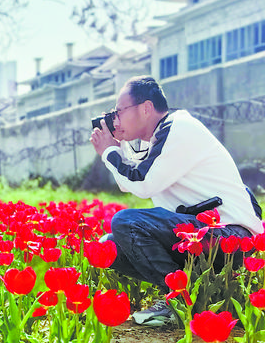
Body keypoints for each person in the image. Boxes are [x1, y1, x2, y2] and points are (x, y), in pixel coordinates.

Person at [90, 75, 264, 326]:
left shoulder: (179, 127)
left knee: (125, 222)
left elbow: (141, 182)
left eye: (119, 111)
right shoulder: (160, 138)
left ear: (146, 108)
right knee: (110, 246)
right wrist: (119, 146)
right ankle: (198, 295)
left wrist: (109, 151)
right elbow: (129, 180)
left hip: (231, 238)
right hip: (201, 239)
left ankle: (181, 300)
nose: (115, 118)